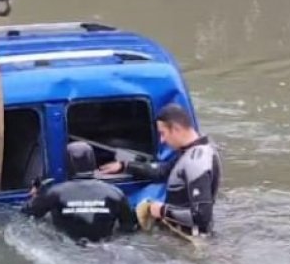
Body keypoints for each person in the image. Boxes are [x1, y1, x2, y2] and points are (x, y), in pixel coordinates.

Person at [99, 103, 221, 236]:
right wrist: (125, 166)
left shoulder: (196, 161)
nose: (162, 140)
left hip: (190, 242)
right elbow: (162, 171)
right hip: (181, 235)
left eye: (163, 133)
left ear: (176, 129)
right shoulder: (192, 151)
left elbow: (202, 216)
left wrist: (162, 210)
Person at [21, 142, 138, 243]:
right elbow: (129, 227)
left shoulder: (54, 193)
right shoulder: (115, 193)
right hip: (104, 250)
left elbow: (26, 214)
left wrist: (36, 194)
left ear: (67, 164)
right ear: (93, 162)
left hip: (66, 250)